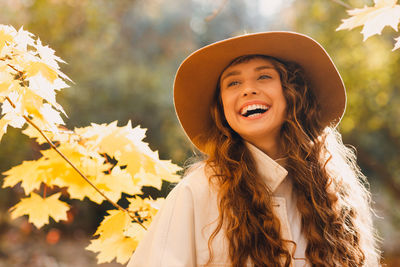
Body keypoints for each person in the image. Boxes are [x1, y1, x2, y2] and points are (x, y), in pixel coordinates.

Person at [127, 32, 381, 267]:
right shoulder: (196, 192)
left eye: (263, 76)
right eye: (233, 83)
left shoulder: (332, 192)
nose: (248, 89)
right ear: (222, 108)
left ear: (292, 93)